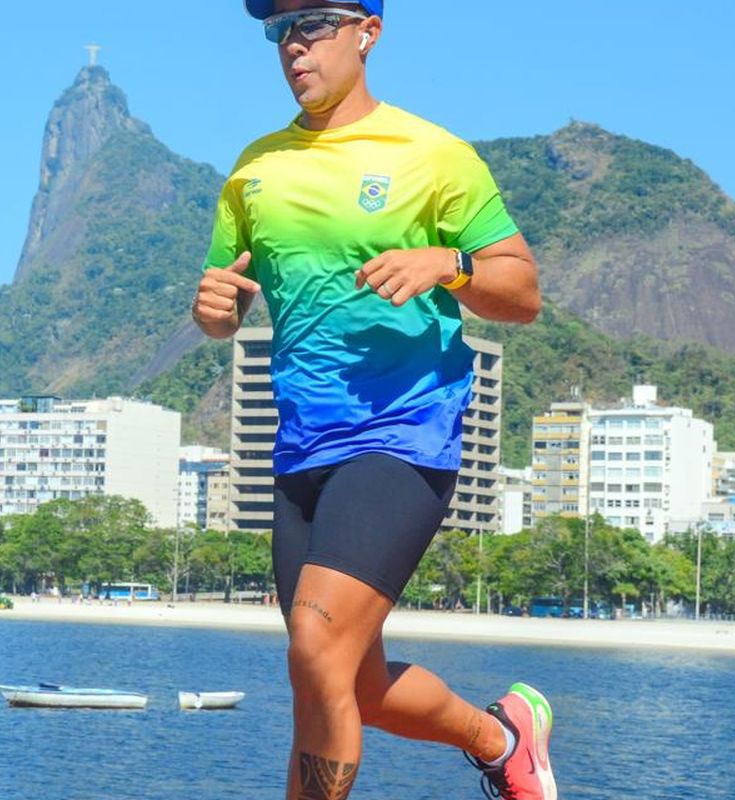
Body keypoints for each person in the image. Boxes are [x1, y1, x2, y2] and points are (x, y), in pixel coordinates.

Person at [192, 2, 554, 797]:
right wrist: (214, 311)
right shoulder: (254, 170)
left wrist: (448, 264)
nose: (294, 43)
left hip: (402, 435)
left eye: (314, 21)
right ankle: (503, 739)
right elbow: (226, 300)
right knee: (345, 685)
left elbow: (523, 292)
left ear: (368, 30)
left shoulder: (435, 155)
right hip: (301, 454)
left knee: (316, 653)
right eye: (278, 29)